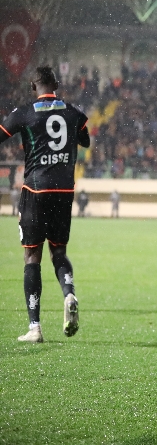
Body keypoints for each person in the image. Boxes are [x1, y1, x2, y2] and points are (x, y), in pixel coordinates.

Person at [1, 65, 90, 343]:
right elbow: (85, 140)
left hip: (35, 190)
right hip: (64, 190)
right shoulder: (73, 112)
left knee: (32, 257)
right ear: (57, 85)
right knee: (59, 252)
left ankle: (35, 327)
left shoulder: (25, 113)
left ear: (33, 87)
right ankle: (70, 293)